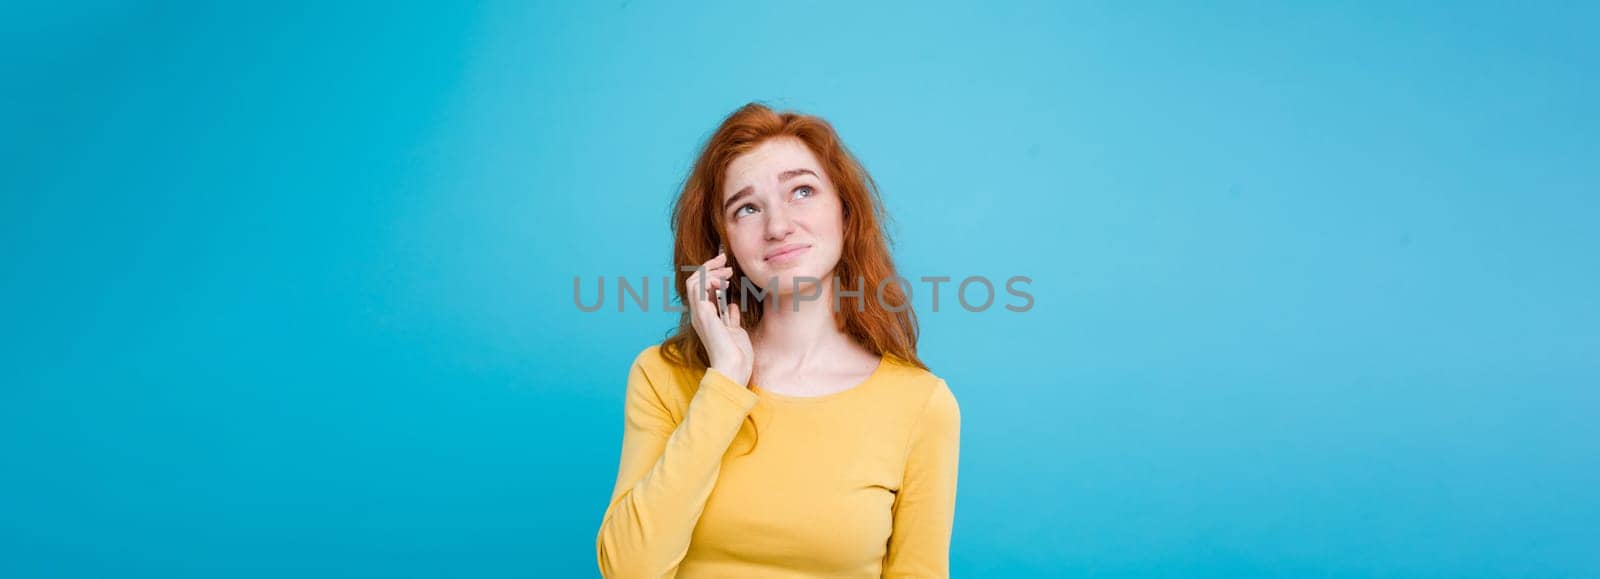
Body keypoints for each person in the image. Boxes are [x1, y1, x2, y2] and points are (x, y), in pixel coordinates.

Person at [595, 102, 961, 578]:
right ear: (722, 244)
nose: (778, 226)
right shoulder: (662, 376)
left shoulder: (921, 404)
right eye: (746, 207)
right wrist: (725, 382)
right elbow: (627, 571)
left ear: (845, 215)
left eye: (802, 191)